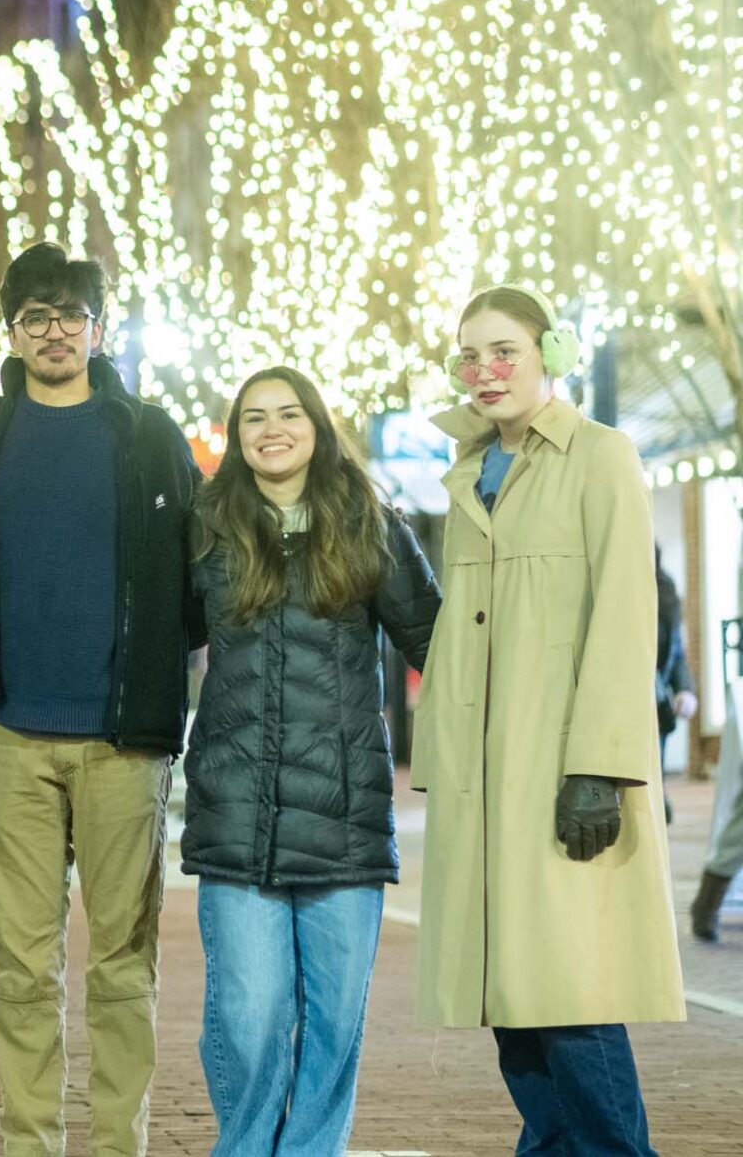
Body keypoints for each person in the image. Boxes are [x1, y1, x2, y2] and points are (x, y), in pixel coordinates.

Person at [415, 284, 684, 1155]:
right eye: (469, 355)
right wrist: (443, 762)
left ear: (548, 355)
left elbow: (624, 615)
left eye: (504, 352)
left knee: (572, 1000)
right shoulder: (470, 473)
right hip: (486, 783)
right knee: (512, 1008)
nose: (485, 371)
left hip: (566, 775)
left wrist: (599, 766)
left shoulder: (601, 456)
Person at [0, 241, 200, 1157]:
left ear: (100, 325)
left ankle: (118, 1144)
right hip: (9, 734)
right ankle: (29, 1143)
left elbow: (204, 566)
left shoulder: (148, 435)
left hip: (124, 742)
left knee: (124, 967)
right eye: (34, 318)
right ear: (10, 332)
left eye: (70, 315)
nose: (53, 333)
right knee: (21, 969)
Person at [183, 367, 439, 1157]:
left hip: (345, 818)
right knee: (252, 1019)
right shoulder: (205, 527)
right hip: (238, 815)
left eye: (288, 413)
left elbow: (437, 643)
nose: (272, 429)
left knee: (333, 1029)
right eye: (254, 417)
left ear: (318, 426)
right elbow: (154, 639)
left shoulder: (371, 524)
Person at [654, 547, 696, 826]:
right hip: (627, 696)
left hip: (656, 699)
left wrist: (685, 689)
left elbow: (677, 650)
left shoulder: (666, 590)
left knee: (656, 764)